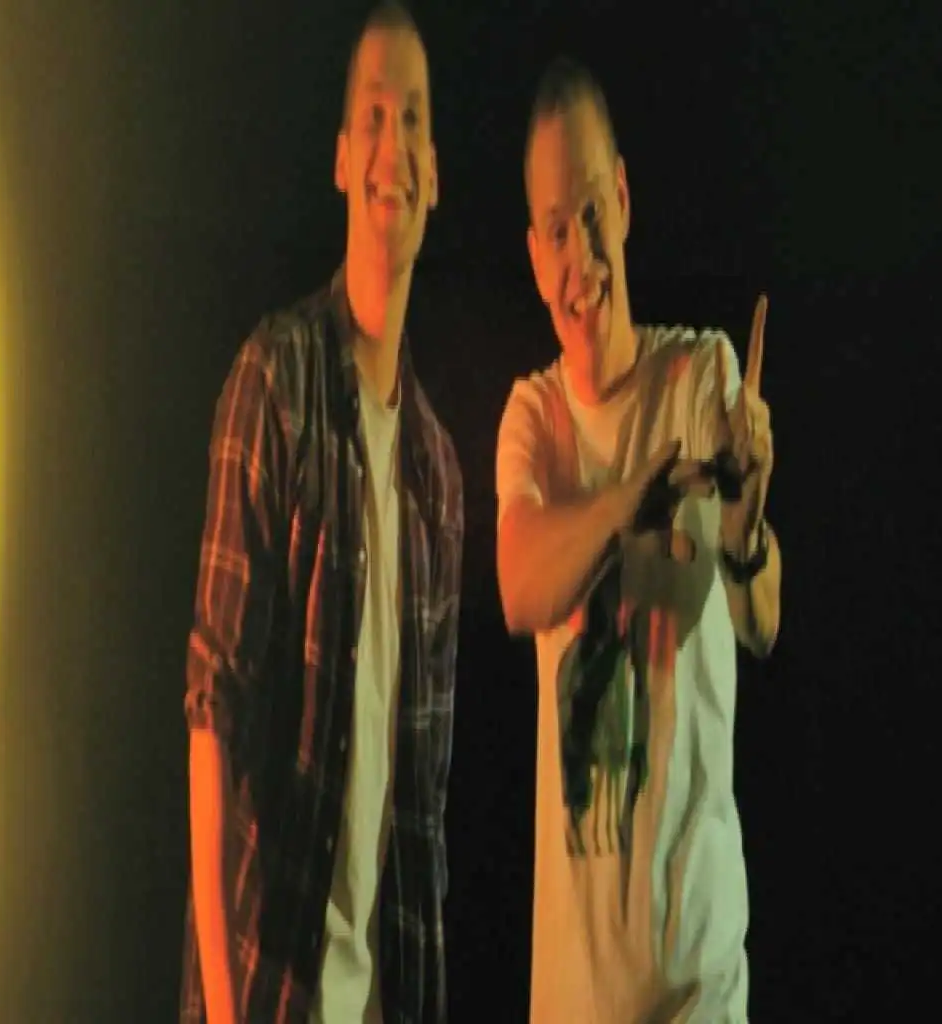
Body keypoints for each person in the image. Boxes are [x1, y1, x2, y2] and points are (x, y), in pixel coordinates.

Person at [179, 5, 463, 1023]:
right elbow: (212, 708)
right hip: (268, 995)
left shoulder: (437, 475)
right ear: (344, 160)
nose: (394, 144)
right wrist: (224, 1007)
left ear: (434, 172)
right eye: (374, 117)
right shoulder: (277, 380)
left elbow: (420, 816)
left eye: (414, 119)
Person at [495, 56, 782, 1023]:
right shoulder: (533, 419)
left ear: (622, 200)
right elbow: (520, 585)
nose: (580, 256)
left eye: (591, 213)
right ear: (535, 255)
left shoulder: (701, 376)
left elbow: (762, 620)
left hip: (698, 989)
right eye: (555, 230)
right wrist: (627, 502)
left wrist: (743, 527)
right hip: (574, 1001)